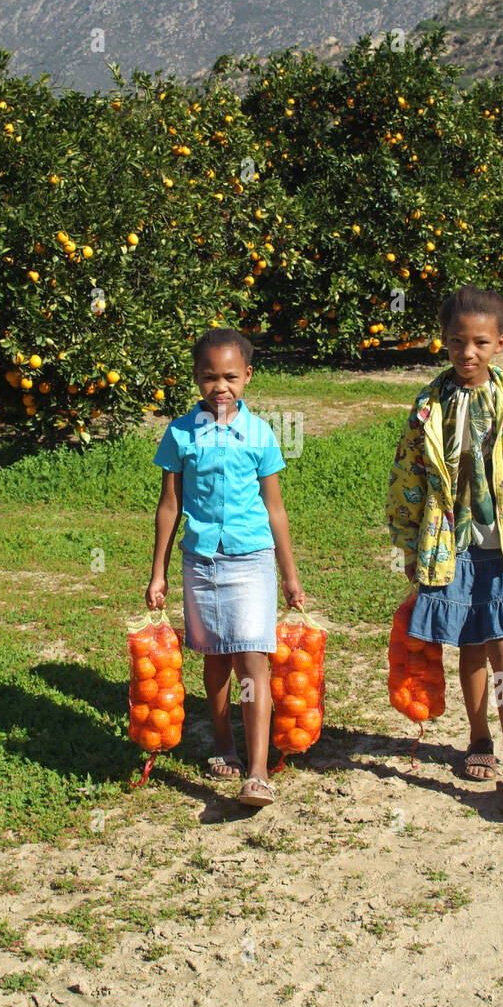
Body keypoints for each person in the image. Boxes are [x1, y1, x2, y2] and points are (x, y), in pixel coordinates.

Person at [385, 285, 503, 809]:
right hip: (451, 543)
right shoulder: (429, 404)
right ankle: (478, 737)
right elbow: (409, 474)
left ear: (501, 344)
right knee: (468, 642)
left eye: (480, 344)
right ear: (443, 343)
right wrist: (407, 542)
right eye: (456, 343)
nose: (467, 354)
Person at [145, 328, 306, 807]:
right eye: (210, 377)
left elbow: (275, 508)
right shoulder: (179, 433)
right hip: (200, 561)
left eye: (231, 376)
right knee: (213, 656)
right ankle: (223, 742)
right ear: (196, 379)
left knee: (253, 656)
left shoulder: (260, 433)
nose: (221, 386)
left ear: (248, 376)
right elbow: (169, 506)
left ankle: (257, 771)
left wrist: (290, 575)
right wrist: (158, 573)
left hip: (252, 559)